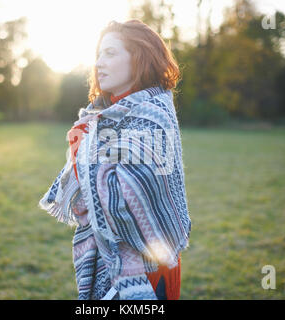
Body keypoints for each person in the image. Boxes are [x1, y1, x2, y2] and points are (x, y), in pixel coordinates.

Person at [38, 19, 191, 300]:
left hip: (147, 269)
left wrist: (83, 151)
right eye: (97, 55)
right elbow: (85, 206)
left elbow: (124, 201)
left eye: (110, 53)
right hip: (107, 264)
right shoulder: (102, 118)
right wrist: (82, 151)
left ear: (139, 57)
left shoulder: (153, 115)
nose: (98, 63)